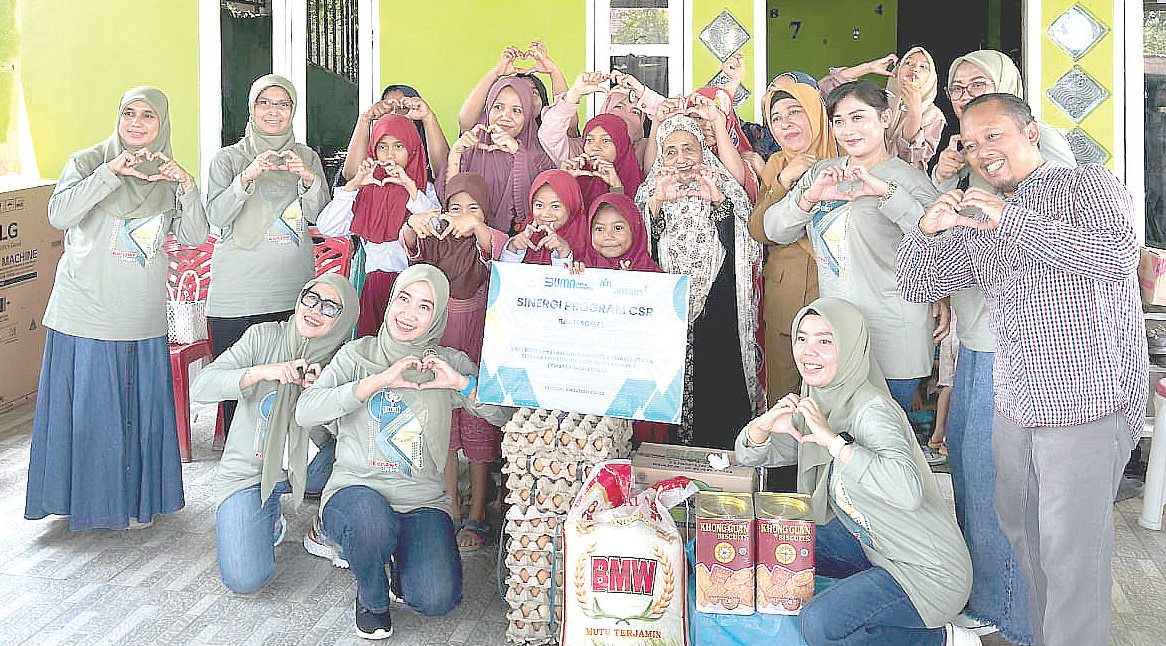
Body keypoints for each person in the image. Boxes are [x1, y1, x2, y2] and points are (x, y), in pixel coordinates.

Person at [897, 93, 1147, 646]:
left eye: (994, 135)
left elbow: (1114, 253)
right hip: (1015, 403)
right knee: (1027, 542)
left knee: (1070, 554)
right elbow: (920, 285)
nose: (981, 151)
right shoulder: (986, 210)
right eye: (969, 142)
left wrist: (1009, 221)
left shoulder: (1087, 185)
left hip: (1085, 404)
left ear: (1030, 133)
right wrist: (926, 229)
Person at [925, 49, 1078, 643]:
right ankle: (991, 599)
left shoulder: (1044, 154)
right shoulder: (966, 159)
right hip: (979, 338)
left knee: (998, 486)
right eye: (956, 85)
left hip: (1019, 347)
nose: (963, 92)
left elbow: (1052, 238)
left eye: (979, 84)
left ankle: (1010, 619)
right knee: (968, 471)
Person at [735, 297, 976, 646]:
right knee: (765, 542)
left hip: (927, 573)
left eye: (825, 341)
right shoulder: (820, 400)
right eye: (801, 338)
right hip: (875, 545)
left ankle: (940, 639)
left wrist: (834, 443)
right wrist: (765, 423)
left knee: (819, 624)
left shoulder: (873, 410)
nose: (808, 351)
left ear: (849, 346)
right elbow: (750, 454)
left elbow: (907, 491)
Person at [295, 264, 513, 640]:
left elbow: (506, 416)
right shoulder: (355, 355)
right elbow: (306, 410)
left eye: (425, 307)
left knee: (436, 599)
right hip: (356, 491)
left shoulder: (447, 363)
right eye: (404, 299)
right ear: (391, 300)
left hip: (422, 500)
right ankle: (372, 595)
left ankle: (395, 557)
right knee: (370, 521)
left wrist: (461, 385)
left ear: (438, 315)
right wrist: (373, 383)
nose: (409, 314)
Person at [25, 86, 207, 530]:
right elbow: (58, 214)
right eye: (129, 113)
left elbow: (195, 237)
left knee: (131, 415)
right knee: (89, 413)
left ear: (162, 124)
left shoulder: (168, 175)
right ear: (118, 118)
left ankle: (132, 502)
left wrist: (187, 186)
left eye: (148, 116)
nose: (137, 123)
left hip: (140, 316)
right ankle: (78, 502)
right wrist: (110, 171)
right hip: (84, 312)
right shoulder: (88, 162)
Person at [763, 80, 943, 413]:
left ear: (885, 119)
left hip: (891, 336)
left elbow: (943, 243)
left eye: (858, 117)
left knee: (884, 448)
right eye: (839, 121)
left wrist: (886, 193)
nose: (848, 129)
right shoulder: (824, 173)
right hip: (836, 337)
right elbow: (774, 229)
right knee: (836, 446)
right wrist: (808, 197)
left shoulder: (910, 179)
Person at [192, 274, 358, 593]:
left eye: (330, 307)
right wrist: (257, 373)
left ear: (345, 318)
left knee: (357, 455)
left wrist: (322, 395)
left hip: (311, 467)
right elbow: (201, 387)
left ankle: (326, 525)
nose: (315, 310)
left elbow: (353, 435)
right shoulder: (263, 337)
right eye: (311, 298)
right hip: (250, 470)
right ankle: (267, 515)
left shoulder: (344, 359)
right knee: (245, 580)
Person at [205, 74, 329, 431]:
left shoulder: (305, 156)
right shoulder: (228, 159)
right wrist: (246, 178)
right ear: (252, 107)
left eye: (283, 104)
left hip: (293, 292)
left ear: (293, 110)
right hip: (237, 296)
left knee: (289, 391)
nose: (274, 111)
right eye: (265, 103)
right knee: (239, 390)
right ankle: (240, 475)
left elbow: (319, 216)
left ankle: (286, 467)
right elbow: (217, 215)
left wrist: (308, 178)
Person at [634, 114, 763, 448]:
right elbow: (637, 249)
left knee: (718, 376)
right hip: (668, 305)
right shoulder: (649, 192)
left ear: (703, 149)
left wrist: (719, 203)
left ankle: (723, 459)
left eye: (688, 149)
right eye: (671, 150)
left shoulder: (723, 186)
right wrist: (656, 205)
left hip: (718, 303)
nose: (681, 159)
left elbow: (746, 245)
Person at [401, 173, 508, 552]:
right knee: (442, 426)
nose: (461, 216)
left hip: (475, 348)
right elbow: (412, 249)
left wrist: (478, 226)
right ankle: (451, 506)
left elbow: (493, 247)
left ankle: (478, 513)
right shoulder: (435, 243)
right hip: (438, 346)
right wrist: (413, 225)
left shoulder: (487, 243)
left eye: (473, 208)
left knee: (478, 424)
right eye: (455, 208)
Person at [750, 76, 839, 406]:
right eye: (776, 118)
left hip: (834, 292)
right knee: (785, 395)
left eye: (794, 111)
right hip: (784, 298)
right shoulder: (776, 164)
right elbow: (758, 229)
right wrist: (785, 179)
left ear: (816, 111)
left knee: (832, 394)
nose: (785, 123)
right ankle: (785, 459)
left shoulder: (846, 154)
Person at [316, 113, 441, 336]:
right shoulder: (367, 190)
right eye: (382, 146)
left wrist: (410, 188)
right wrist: (353, 186)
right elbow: (327, 227)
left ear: (412, 149)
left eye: (398, 146)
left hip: (414, 291)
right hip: (373, 287)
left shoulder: (424, 189)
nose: (390, 154)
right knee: (372, 351)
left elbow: (437, 229)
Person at [569, 193, 672, 446]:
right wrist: (574, 279)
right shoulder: (584, 269)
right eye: (599, 229)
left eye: (618, 228)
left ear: (635, 229)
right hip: (597, 381)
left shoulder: (651, 275)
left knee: (640, 447)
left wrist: (632, 288)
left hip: (638, 384)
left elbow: (663, 328)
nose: (608, 237)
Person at [445, 77, 554, 235]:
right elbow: (447, 203)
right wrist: (455, 155)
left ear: (528, 115)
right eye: (498, 107)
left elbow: (543, 206)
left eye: (516, 110)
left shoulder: (540, 153)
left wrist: (520, 153)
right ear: (488, 110)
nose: (505, 116)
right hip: (470, 242)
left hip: (520, 244)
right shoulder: (472, 145)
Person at [818, 48, 946, 172]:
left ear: (931, 78)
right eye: (908, 63)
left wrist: (914, 114)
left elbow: (910, 161)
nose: (915, 69)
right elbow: (825, 92)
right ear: (897, 70)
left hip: (901, 185)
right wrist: (868, 67)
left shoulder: (933, 116)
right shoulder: (880, 100)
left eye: (923, 66)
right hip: (860, 173)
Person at [338, 85, 449, 186]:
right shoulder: (373, 146)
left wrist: (427, 117)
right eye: (388, 108)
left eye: (402, 109)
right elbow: (351, 176)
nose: (394, 115)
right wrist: (365, 119)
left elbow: (444, 174)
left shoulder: (425, 149)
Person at [502, 169, 589, 266]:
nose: (545, 214)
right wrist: (513, 248)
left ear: (572, 206)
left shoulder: (587, 241)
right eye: (539, 205)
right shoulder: (527, 234)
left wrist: (563, 251)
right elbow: (503, 277)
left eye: (555, 206)